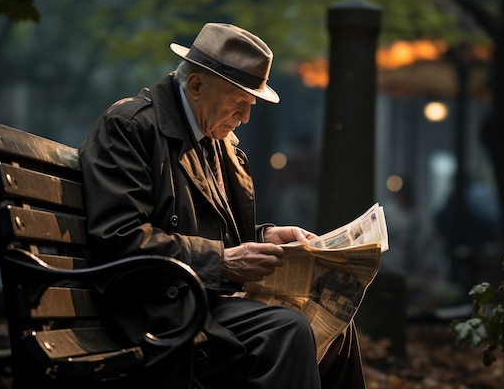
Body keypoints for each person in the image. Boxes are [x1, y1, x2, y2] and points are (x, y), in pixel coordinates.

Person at [79, 22, 366, 389]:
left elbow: (217, 234)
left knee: (338, 321)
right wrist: (224, 262)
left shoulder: (219, 142)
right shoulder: (132, 125)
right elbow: (118, 238)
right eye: (239, 102)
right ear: (197, 85)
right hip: (158, 304)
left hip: (201, 296)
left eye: (250, 105)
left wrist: (268, 236)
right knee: (288, 329)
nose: (245, 118)